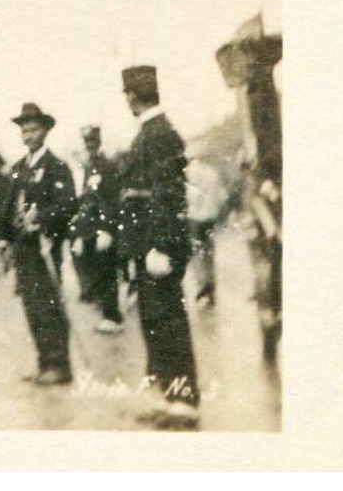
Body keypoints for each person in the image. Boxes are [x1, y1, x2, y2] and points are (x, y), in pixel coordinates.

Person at [115, 65, 201, 429]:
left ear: (132, 96)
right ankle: (168, 396)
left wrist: (160, 246)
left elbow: (168, 194)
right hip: (147, 244)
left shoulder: (159, 134)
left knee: (167, 322)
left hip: (157, 245)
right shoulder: (153, 132)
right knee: (155, 322)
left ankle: (183, 402)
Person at [3, 102, 76, 385]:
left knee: (49, 305)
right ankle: (44, 361)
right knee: (32, 307)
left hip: (45, 247)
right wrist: (5, 239)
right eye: (24, 130)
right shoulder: (19, 167)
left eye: (34, 129)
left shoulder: (56, 167)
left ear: (45, 131)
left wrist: (43, 218)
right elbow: (10, 207)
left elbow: (68, 204)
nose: (29, 135)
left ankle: (60, 364)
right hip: (24, 249)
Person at [70, 125, 124, 333]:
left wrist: (106, 228)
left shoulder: (107, 166)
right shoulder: (88, 168)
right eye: (86, 142)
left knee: (107, 270)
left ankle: (113, 316)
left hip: (104, 228)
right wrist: (82, 233)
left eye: (92, 141)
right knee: (97, 271)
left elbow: (111, 200)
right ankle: (107, 313)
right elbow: (87, 202)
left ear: (99, 141)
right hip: (90, 228)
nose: (89, 145)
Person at [185, 147, 228, 306]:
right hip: (210, 217)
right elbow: (221, 197)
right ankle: (211, 287)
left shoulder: (187, 174)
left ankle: (202, 285)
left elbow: (187, 197)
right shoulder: (212, 172)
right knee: (209, 253)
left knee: (196, 254)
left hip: (194, 218)